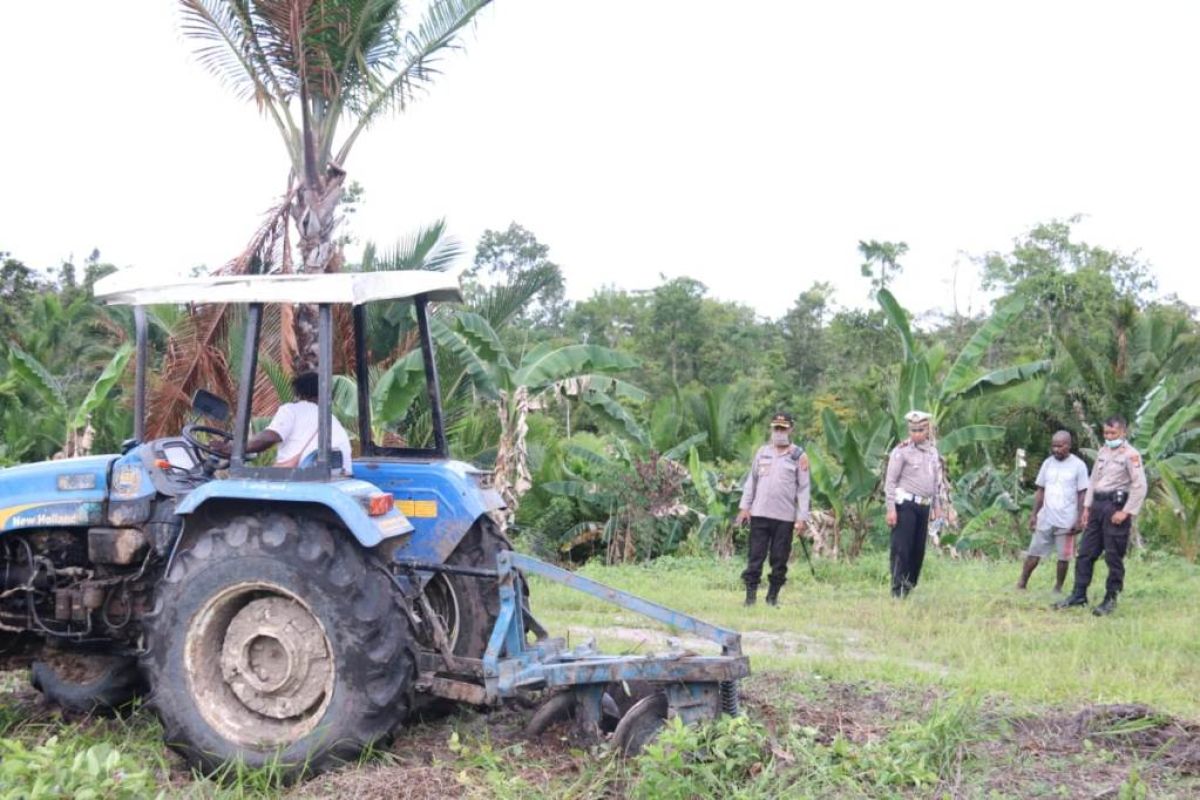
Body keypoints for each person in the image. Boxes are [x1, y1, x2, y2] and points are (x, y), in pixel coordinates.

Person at [1055, 415, 1147, 616]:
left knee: (1113, 556)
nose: (1109, 436)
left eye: (1113, 433)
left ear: (1123, 432)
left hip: (1116, 506)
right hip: (1097, 505)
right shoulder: (1103, 451)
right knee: (1086, 553)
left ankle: (1110, 599)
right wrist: (1086, 508)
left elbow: (1140, 486)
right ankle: (1078, 595)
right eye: (1106, 432)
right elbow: (1093, 479)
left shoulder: (1131, 455)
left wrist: (1126, 511)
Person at [735, 412, 811, 607]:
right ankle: (750, 598)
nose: (779, 432)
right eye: (776, 428)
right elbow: (751, 481)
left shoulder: (798, 456)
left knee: (779, 560)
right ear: (771, 430)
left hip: (784, 518)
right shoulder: (762, 452)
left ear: (790, 429)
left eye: (783, 428)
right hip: (759, 514)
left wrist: (802, 518)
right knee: (755, 557)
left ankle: (772, 597)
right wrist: (745, 507)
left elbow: (803, 489)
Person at [235, 372, 354, 476]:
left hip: (304, 479)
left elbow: (270, 437)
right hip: (337, 477)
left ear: (298, 394)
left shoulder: (292, 410)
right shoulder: (330, 418)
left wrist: (235, 449)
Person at [1017, 431, 1090, 592]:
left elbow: (1082, 493)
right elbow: (1040, 490)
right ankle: (1022, 583)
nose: (1056, 449)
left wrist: (1079, 519)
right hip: (1046, 517)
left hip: (1067, 520)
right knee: (1034, 552)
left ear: (1069, 446)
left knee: (1063, 557)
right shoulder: (1048, 464)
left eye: (1060, 446)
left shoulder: (1078, 466)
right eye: (1054, 446)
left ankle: (1058, 587)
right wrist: (1034, 515)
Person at [884, 410, 943, 598]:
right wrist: (891, 509)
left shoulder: (933, 452)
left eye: (920, 430)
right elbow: (890, 482)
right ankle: (897, 590)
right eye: (912, 430)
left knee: (918, 550)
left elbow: (936, 482)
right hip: (906, 505)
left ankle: (909, 586)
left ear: (928, 430)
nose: (916, 433)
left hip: (924, 506)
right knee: (902, 548)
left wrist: (937, 507)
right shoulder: (901, 451)